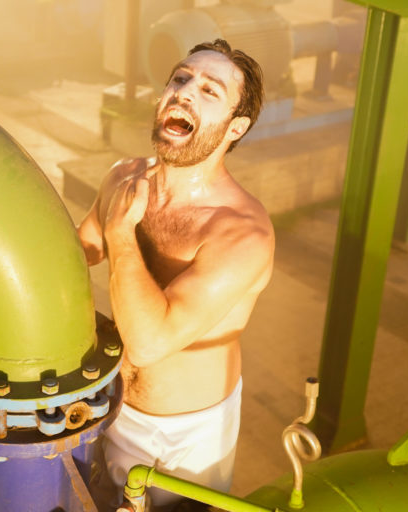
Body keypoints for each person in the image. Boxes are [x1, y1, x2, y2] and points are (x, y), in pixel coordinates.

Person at [77, 39, 274, 510]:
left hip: (186, 438)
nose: (185, 92)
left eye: (210, 90)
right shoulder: (124, 178)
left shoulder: (243, 233)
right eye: (181, 78)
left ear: (235, 127)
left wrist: (121, 232)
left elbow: (149, 343)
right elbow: (76, 254)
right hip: (113, 402)